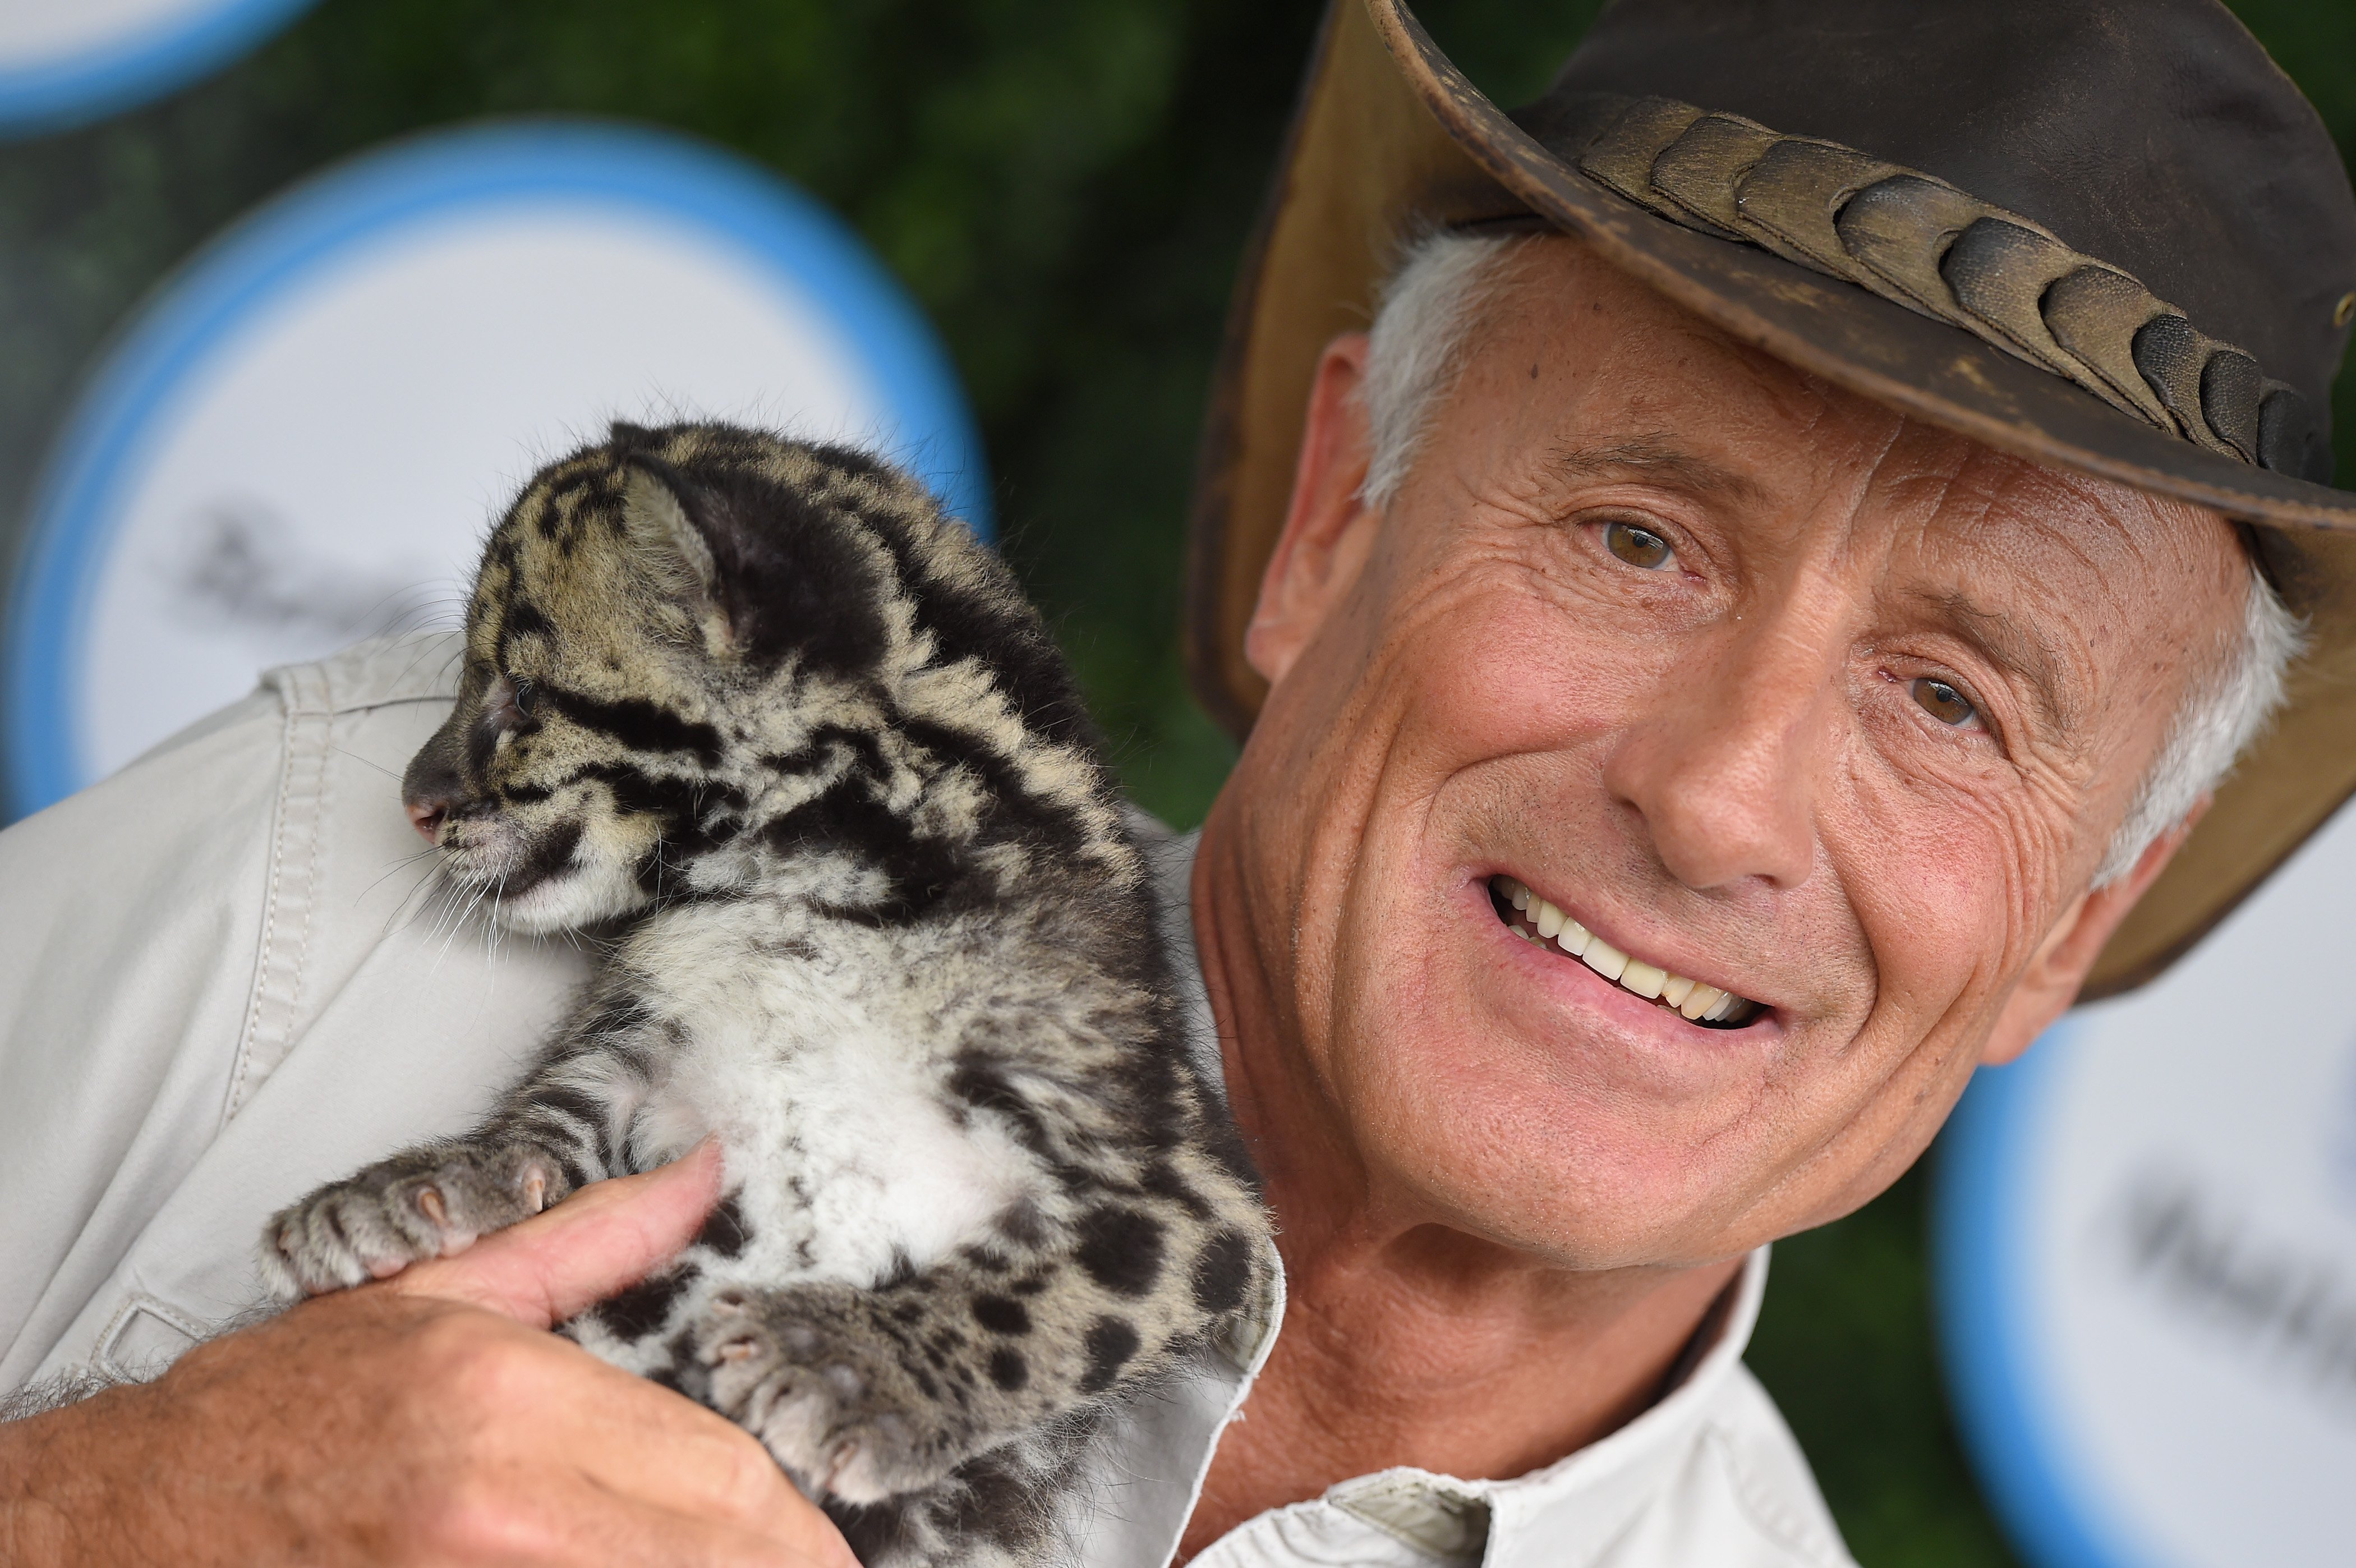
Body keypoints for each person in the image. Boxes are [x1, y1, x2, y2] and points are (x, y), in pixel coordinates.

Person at [6, 0, 2355, 1563]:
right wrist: (133, 1511)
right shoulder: (369, 882)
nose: (1723, 796)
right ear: (1332, 527)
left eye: (1954, 699)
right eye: (1641, 538)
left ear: (2074, 919)